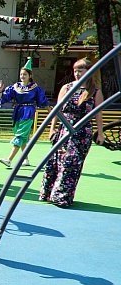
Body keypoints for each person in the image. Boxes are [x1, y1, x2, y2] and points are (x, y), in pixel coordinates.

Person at [40, 57, 105, 208]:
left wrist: (100, 132)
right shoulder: (67, 88)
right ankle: (48, 193)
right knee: (55, 162)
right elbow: (57, 110)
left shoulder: (95, 91)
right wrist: (52, 128)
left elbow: (98, 114)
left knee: (72, 163)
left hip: (82, 133)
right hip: (64, 129)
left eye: (80, 70)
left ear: (89, 72)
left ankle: (62, 197)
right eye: (75, 70)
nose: (77, 73)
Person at [0, 58, 48, 168]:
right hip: (18, 112)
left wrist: (49, 109)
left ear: (30, 75)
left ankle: (9, 159)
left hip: (28, 112)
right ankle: (26, 159)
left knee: (20, 135)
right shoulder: (16, 87)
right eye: (21, 74)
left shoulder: (35, 88)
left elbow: (42, 100)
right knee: (23, 137)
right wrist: (0, 91)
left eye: (25, 74)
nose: (22, 76)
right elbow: (6, 97)